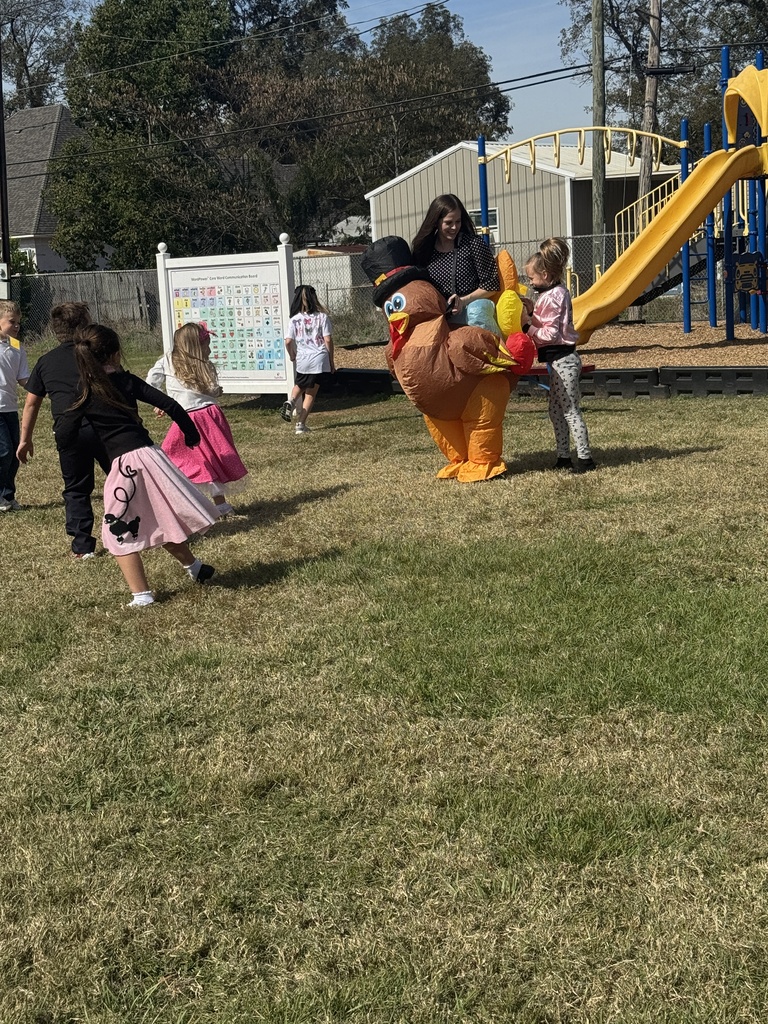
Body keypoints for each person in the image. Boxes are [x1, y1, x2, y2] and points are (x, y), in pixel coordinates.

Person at [55, 324, 220, 608]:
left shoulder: (84, 390)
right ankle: (195, 567)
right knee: (157, 517)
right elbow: (170, 404)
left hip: (126, 465)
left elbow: (65, 432)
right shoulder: (126, 380)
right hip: (152, 457)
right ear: (116, 355)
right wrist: (191, 434)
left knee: (116, 529)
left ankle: (142, 595)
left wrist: (70, 443)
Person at [17, 302, 112, 558]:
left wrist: (25, 439)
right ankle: (135, 530)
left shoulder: (46, 361)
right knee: (122, 479)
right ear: (85, 327)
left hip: (69, 431)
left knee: (76, 488)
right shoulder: (97, 354)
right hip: (105, 428)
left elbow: (31, 403)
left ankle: (82, 546)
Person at [146, 322, 247, 515]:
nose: (209, 349)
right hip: (209, 417)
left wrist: (161, 402)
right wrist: (217, 392)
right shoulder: (203, 365)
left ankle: (185, 503)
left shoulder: (167, 360)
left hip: (185, 418)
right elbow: (212, 390)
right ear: (197, 347)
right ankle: (220, 505)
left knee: (175, 459)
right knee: (213, 460)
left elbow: (151, 381)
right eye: (206, 344)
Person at [520, 237, 596, 474]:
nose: (530, 282)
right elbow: (546, 319)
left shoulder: (556, 295)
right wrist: (532, 311)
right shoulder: (550, 294)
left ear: (545, 274)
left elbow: (551, 333)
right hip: (557, 362)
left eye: (531, 278)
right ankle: (563, 455)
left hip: (564, 360)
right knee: (556, 410)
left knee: (570, 410)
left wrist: (527, 328)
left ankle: (585, 459)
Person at [411, 194, 500, 322]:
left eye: (458, 222)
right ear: (436, 222)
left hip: (471, 309)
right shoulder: (425, 250)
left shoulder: (473, 244)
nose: (454, 227)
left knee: (476, 310)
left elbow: (491, 285)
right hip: (440, 313)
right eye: (448, 223)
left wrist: (463, 301)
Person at [281, 284, 334, 435]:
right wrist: (331, 361)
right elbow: (328, 340)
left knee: (300, 384)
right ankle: (300, 425)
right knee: (311, 393)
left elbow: (287, 341)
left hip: (302, 359)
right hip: (319, 358)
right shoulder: (322, 317)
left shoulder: (294, 320)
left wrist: (292, 354)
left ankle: (290, 401)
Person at [0, 300, 29, 512]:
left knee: (15, 455)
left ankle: (8, 496)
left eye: (18, 322)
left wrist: (42, 389)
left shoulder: (17, 347)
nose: (17, 326)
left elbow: (23, 379)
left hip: (10, 407)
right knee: (4, 451)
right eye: (12, 321)